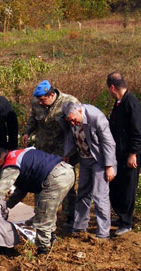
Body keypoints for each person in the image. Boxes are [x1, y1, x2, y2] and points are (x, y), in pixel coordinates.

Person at [0, 147, 75, 255]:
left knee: (43, 215)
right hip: (66, 171)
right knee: (48, 211)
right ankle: (50, 238)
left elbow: (0, 189)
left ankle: (43, 251)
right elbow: (22, 189)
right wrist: (7, 206)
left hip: (55, 177)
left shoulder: (10, 165)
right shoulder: (17, 154)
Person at [22, 80, 80, 226]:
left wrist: (71, 152)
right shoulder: (37, 102)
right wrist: (27, 132)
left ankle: (70, 217)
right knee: (39, 181)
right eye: (38, 100)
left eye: (43, 100)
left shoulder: (68, 102)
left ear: (52, 95)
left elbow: (76, 128)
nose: (40, 103)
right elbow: (33, 118)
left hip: (63, 151)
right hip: (43, 149)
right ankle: (39, 215)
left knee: (65, 183)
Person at [62, 102, 116, 239]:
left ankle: (103, 234)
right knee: (83, 193)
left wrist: (109, 166)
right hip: (84, 158)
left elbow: (108, 142)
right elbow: (70, 136)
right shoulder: (71, 119)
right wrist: (67, 154)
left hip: (99, 160)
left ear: (80, 111)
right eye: (70, 121)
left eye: (74, 120)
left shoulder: (96, 117)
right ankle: (79, 227)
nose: (73, 123)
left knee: (99, 195)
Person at [106, 72, 141, 236]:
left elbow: (139, 132)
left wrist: (133, 153)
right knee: (118, 186)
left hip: (130, 154)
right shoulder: (119, 103)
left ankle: (127, 221)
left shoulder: (132, 103)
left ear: (112, 87)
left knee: (128, 187)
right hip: (119, 153)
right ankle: (121, 216)